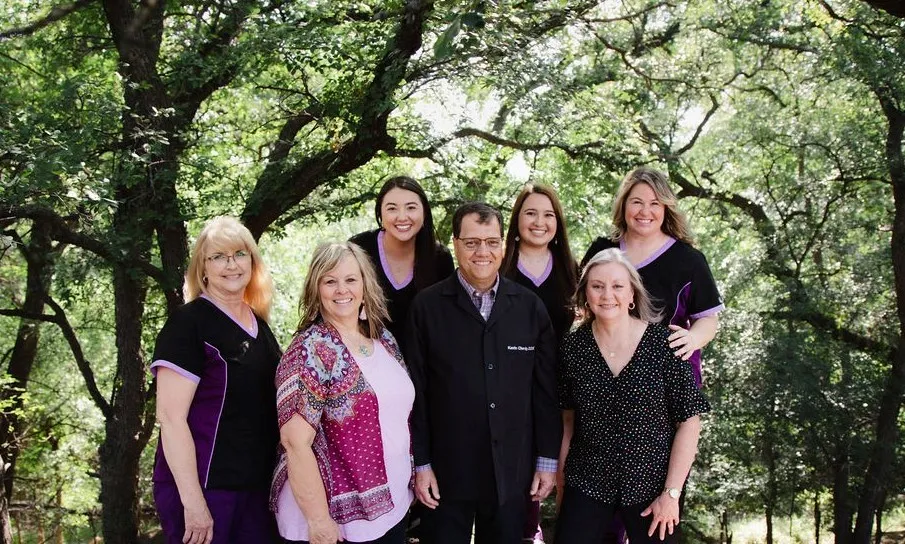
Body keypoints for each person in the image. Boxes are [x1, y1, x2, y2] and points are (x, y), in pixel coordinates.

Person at [406, 202, 563, 544]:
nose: (482, 252)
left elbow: (545, 393)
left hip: (512, 471)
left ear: (503, 245)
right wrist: (422, 463)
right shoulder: (427, 308)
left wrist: (547, 461)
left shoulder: (529, 308)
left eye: (492, 242)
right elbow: (416, 395)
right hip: (446, 472)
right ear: (455, 244)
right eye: (472, 242)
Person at [555, 249, 710, 543]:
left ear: (632, 295)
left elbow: (690, 422)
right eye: (597, 286)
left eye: (617, 286)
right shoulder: (572, 349)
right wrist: (562, 487)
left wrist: (671, 494)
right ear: (585, 294)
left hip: (652, 486)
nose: (607, 295)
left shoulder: (665, 345)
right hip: (587, 481)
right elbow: (567, 421)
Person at [270, 242, 413, 544]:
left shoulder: (383, 339)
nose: (341, 290)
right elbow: (295, 442)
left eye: (350, 279)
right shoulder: (309, 350)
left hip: (391, 507)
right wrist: (318, 520)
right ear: (316, 287)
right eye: (330, 281)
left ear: (364, 284)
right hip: (335, 523)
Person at [151, 216, 281, 544]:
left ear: (252, 261)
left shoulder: (260, 325)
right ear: (203, 268)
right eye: (219, 257)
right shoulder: (188, 324)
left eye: (239, 254)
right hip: (206, 491)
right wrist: (193, 502)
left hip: (256, 489)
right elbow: (170, 418)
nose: (231, 265)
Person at [581, 167, 724, 387]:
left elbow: (707, 319)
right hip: (604, 374)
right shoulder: (602, 250)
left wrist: (692, 338)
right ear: (624, 204)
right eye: (637, 202)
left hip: (667, 380)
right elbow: (581, 306)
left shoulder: (689, 260)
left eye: (655, 203)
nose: (645, 211)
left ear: (666, 207)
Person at [501, 184, 578, 543]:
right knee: (519, 482)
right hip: (510, 390)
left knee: (564, 474)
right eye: (530, 213)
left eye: (548, 215)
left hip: (561, 389)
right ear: (517, 220)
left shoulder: (570, 271)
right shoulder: (499, 266)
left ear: (558, 223)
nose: (539, 222)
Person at [350, 175, 455, 349]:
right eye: (392, 208)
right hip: (366, 355)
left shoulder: (439, 258)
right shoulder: (359, 249)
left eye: (411, 207)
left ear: (424, 212)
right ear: (380, 213)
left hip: (422, 360)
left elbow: (447, 320)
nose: (402, 217)